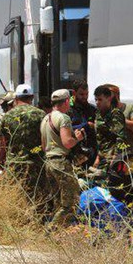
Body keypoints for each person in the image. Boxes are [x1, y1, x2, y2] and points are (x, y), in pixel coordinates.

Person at [40, 89, 85, 225]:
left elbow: (43, 145)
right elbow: (67, 142)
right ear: (66, 101)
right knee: (70, 203)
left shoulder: (45, 118)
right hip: (60, 162)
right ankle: (51, 232)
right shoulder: (63, 118)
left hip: (49, 163)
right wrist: (77, 138)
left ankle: (58, 233)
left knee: (58, 203)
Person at [0, 84, 46, 197]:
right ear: (32, 97)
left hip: (15, 166)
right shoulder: (41, 114)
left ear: (16, 98)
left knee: (17, 199)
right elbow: (45, 141)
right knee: (37, 199)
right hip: (36, 165)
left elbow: (2, 145)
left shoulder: (7, 116)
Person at [93, 85, 129, 166]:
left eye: (100, 99)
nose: (97, 102)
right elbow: (100, 137)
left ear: (109, 98)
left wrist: (116, 157)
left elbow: (121, 137)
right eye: (96, 99)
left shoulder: (115, 114)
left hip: (112, 156)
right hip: (102, 155)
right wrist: (98, 157)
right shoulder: (98, 113)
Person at [107, 84, 133, 155]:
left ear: (117, 95)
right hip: (110, 153)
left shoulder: (130, 108)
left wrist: (119, 119)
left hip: (130, 152)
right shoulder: (103, 111)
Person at [68, 80, 96, 158]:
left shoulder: (92, 109)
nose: (85, 97)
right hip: (74, 151)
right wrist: (86, 125)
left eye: (87, 94)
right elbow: (64, 128)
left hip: (91, 151)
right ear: (74, 93)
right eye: (81, 94)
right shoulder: (67, 109)